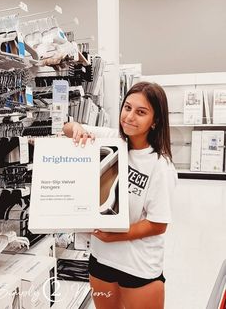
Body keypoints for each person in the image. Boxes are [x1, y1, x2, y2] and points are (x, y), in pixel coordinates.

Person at [63, 81, 177, 309]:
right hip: (101, 260)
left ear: (155, 121)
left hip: (138, 267)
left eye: (141, 112)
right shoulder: (110, 139)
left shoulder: (160, 166)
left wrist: (113, 236)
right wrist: (76, 129)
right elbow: (68, 127)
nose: (130, 117)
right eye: (127, 108)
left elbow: (157, 224)